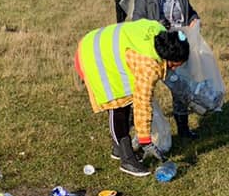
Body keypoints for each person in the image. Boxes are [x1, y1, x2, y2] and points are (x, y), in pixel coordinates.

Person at [75, 19, 190, 176]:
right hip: (92, 55)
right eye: (175, 65)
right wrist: (145, 141)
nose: (175, 68)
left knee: (125, 100)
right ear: (167, 57)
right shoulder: (149, 67)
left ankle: (119, 149)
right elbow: (142, 104)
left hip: (107, 48)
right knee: (117, 106)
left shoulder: (160, 33)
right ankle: (127, 160)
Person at [132, 0, 199, 139]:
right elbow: (136, 22)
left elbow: (189, 11)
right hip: (156, 50)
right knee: (146, 91)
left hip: (178, 47)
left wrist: (193, 18)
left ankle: (183, 129)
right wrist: (158, 29)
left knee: (181, 88)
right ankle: (144, 133)